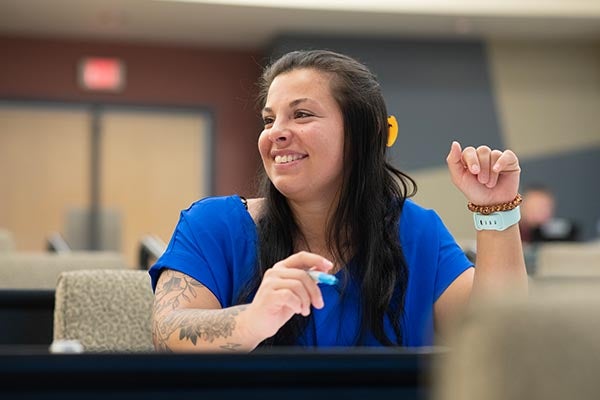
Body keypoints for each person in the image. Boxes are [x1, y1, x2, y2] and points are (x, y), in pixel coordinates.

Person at [149, 49, 528, 352]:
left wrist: (497, 210)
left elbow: (502, 342)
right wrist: (251, 320)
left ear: (366, 133)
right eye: (269, 120)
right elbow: (167, 332)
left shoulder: (416, 231)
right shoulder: (213, 225)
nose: (276, 133)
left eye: (301, 114)